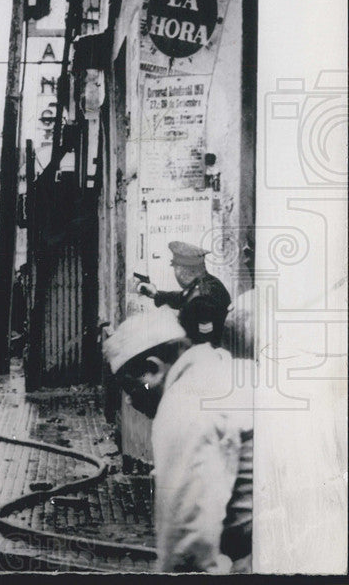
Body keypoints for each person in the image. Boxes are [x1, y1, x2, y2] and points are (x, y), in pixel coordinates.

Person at [104, 306, 253, 573]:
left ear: (153, 369)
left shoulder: (184, 402)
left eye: (131, 387)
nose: (129, 399)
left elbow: (188, 544)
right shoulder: (233, 368)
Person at [137, 241, 232, 346]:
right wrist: (156, 294)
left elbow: (204, 342)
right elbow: (182, 297)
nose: (175, 273)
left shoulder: (202, 298)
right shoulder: (205, 283)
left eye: (176, 268)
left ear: (185, 271)